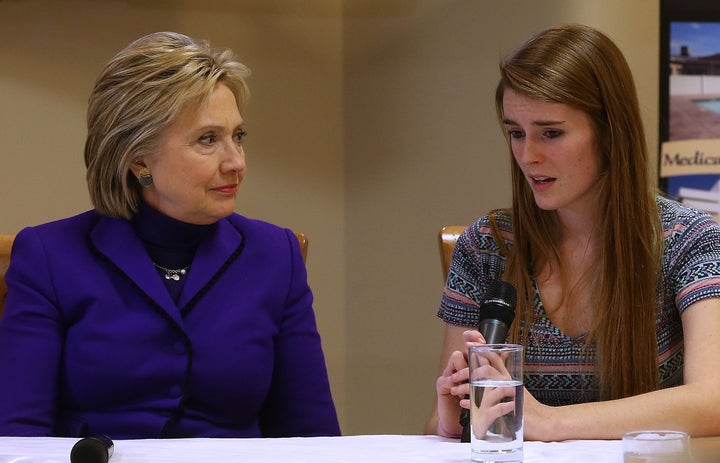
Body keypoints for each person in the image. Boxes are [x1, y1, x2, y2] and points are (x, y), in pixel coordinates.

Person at [0, 31, 340, 439]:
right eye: (208, 139)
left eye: (238, 137)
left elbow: (310, 436)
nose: (236, 162)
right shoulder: (49, 256)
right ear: (138, 159)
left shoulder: (274, 254)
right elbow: (19, 436)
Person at [426, 24, 720, 441]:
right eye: (516, 133)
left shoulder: (689, 241)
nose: (528, 155)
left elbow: (713, 401)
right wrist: (450, 421)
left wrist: (550, 422)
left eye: (552, 133)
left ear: (609, 131)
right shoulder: (487, 246)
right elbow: (447, 425)